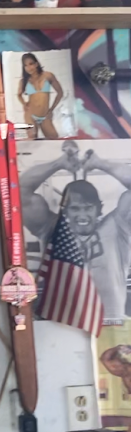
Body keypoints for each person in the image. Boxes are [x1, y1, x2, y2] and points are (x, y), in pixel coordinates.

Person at [20, 142, 131, 319]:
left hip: (112, 325)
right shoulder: (53, 229)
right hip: (63, 325)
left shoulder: (117, 227)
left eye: (88, 208)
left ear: (99, 209)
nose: (82, 215)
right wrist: (59, 163)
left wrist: (100, 163)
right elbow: (20, 191)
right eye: (75, 208)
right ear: (65, 211)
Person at [17, 53, 63, 139]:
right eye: (25, 65)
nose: (29, 67)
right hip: (30, 114)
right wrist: (24, 104)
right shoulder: (24, 81)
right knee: (32, 138)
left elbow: (60, 92)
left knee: (54, 138)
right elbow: (19, 95)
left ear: (36, 64)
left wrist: (51, 109)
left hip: (45, 115)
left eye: (31, 64)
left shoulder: (48, 76)